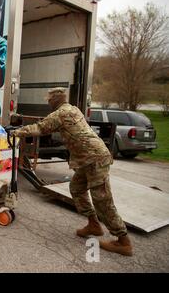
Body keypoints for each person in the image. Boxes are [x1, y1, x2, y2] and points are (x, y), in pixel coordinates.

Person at [11, 88, 133, 257]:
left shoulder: (60, 113)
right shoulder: (73, 108)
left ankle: (123, 240)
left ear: (54, 100)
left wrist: (16, 132)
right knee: (76, 188)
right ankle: (93, 224)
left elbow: (39, 128)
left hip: (94, 158)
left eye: (49, 99)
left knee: (102, 199)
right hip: (87, 159)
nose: (47, 102)